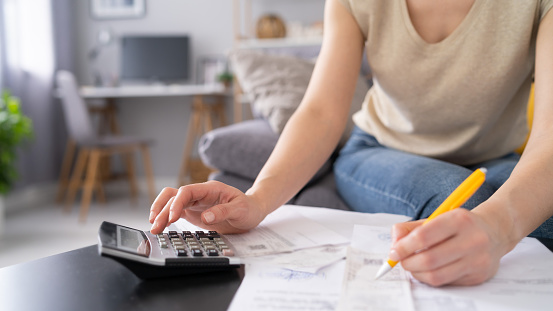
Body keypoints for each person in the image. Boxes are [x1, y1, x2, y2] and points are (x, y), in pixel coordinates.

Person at [149, 0, 553, 286]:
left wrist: (502, 224)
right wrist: (256, 200)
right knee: (469, 202)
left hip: (498, 157)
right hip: (380, 152)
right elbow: (322, 112)